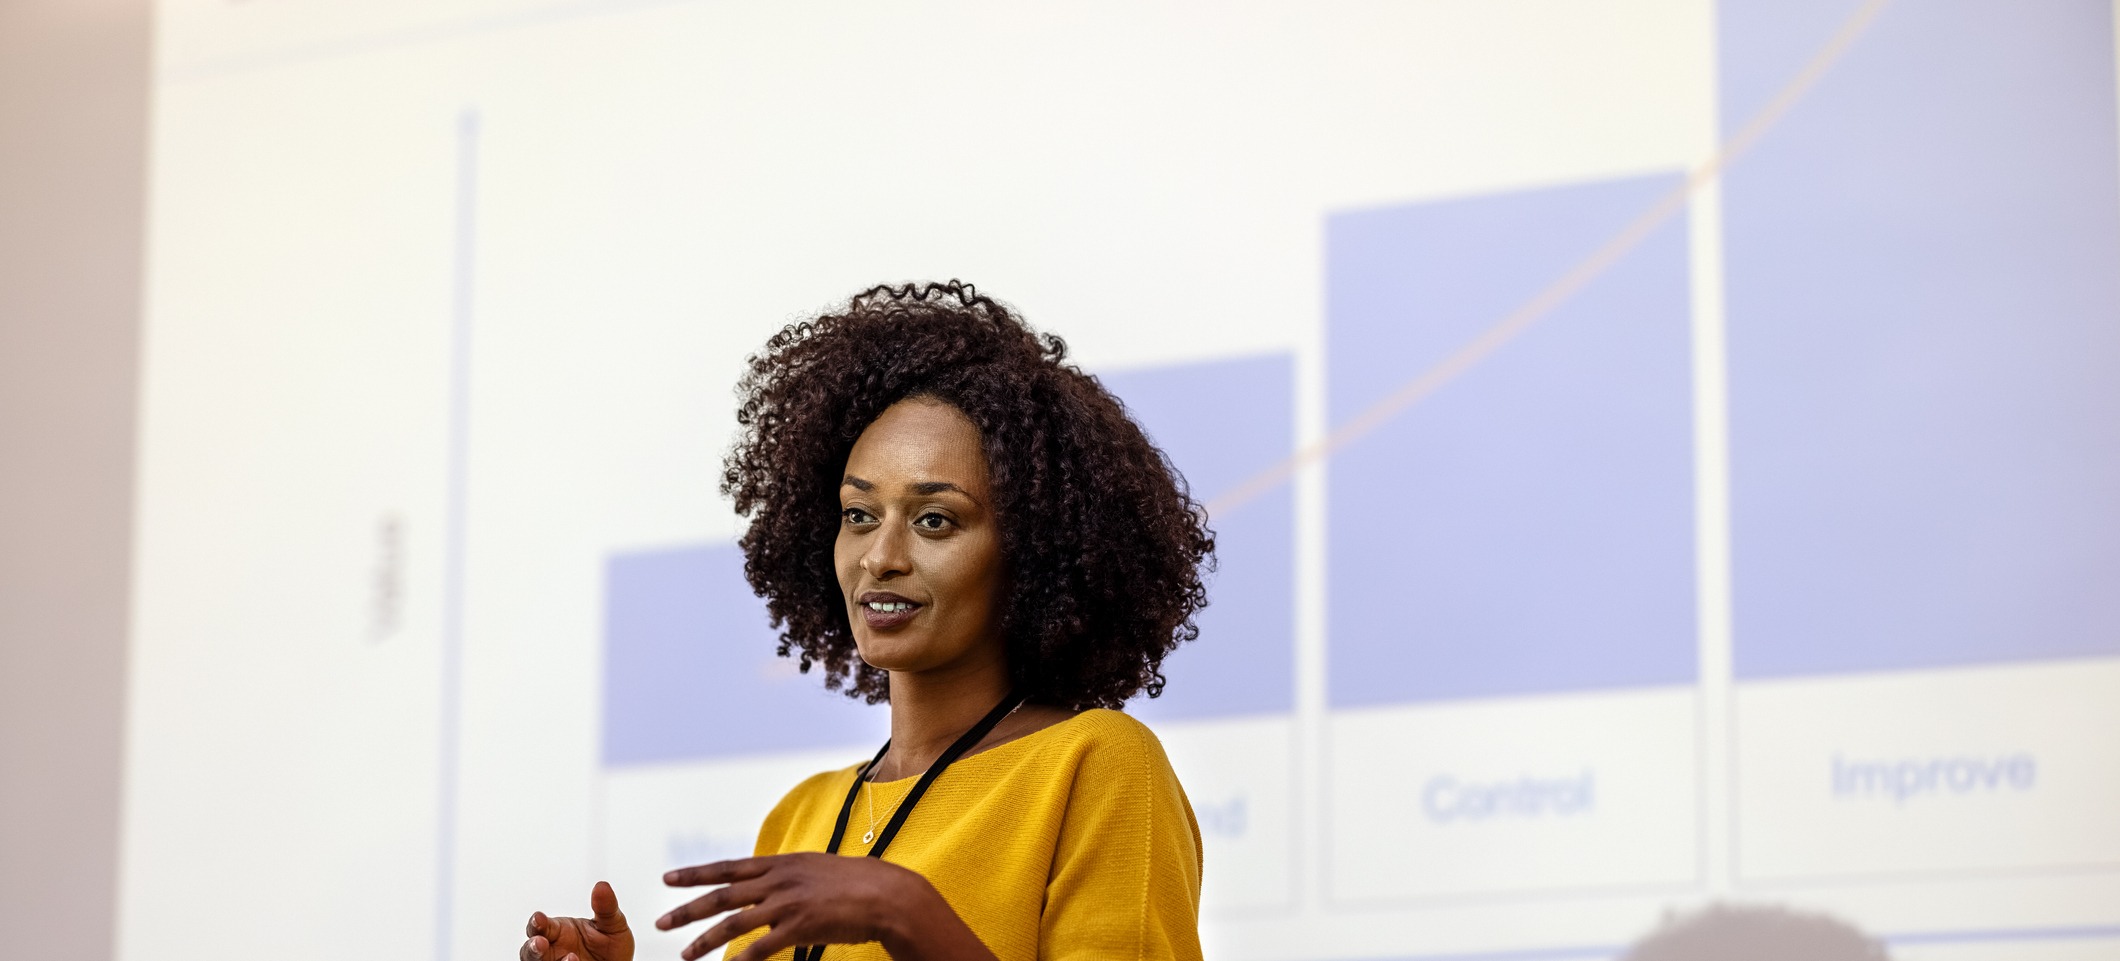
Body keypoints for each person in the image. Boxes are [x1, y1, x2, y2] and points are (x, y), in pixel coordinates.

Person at [520, 281, 1215, 961]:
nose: (880, 557)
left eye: (935, 520)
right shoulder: (799, 816)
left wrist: (905, 911)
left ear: (1033, 553)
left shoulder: (1097, 764)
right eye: (859, 515)